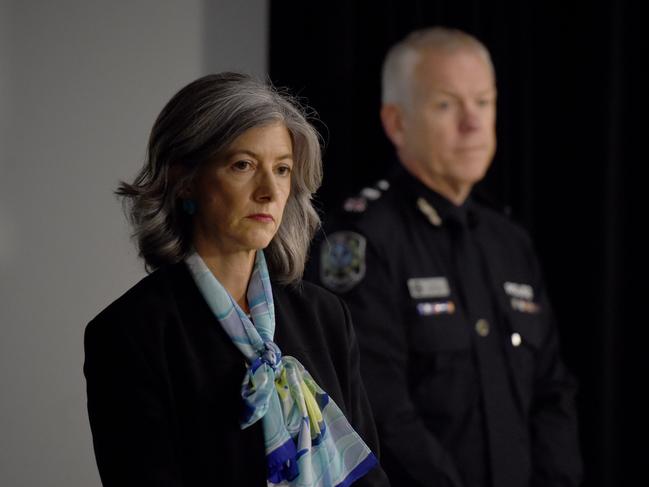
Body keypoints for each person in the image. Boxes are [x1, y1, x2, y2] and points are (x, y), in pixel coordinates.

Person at [83, 72, 390, 487]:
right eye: (242, 165)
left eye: (282, 169)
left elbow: (369, 477)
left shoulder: (325, 315)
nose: (269, 191)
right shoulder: (129, 332)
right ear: (184, 179)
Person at [309, 28, 582, 487]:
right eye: (446, 104)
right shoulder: (362, 240)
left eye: (483, 102)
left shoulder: (509, 242)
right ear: (397, 123)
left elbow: (552, 391)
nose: (472, 123)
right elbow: (377, 407)